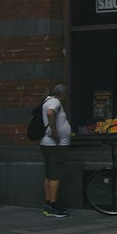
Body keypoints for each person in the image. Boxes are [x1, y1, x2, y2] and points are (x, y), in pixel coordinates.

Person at [41, 82, 72, 217]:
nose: (66, 98)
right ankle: (52, 207)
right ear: (62, 94)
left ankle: (48, 204)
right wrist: (55, 133)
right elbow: (50, 113)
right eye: (66, 95)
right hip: (56, 146)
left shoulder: (47, 101)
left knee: (49, 175)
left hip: (47, 144)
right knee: (55, 176)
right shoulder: (55, 102)